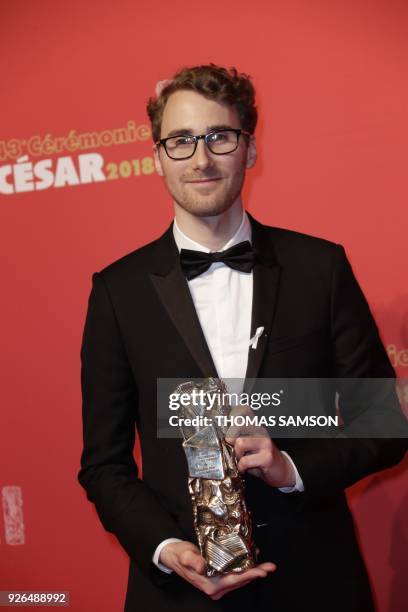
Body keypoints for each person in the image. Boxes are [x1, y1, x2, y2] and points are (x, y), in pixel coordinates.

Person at [78, 64, 406, 612]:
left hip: (315, 582)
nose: (201, 159)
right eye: (181, 141)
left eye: (219, 137)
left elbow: (383, 426)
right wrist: (164, 547)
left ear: (249, 151)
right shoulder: (117, 291)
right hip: (181, 593)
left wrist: (292, 470)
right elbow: (103, 465)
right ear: (157, 158)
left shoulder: (319, 268)